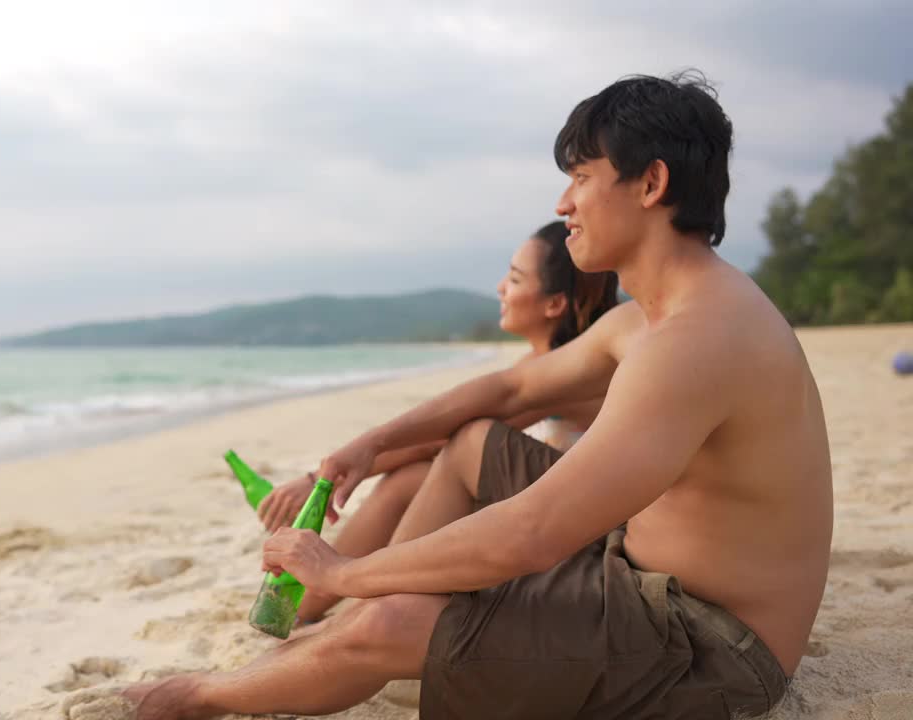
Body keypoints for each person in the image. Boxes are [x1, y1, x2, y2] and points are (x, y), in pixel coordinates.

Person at [69, 71, 833, 720]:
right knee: (472, 443)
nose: (564, 204)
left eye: (582, 178)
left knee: (397, 613)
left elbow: (532, 533)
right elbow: (507, 388)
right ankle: (353, 624)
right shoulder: (654, 317)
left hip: (713, 645)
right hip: (637, 571)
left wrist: (342, 572)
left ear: (652, 183)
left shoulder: (696, 340)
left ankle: (194, 696)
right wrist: (366, 447)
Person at [255, 219, 619, 624]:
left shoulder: (565, 371)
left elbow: (438, 438)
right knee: (413, 474)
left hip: (577, 539)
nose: (500, 288)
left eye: (514, 279)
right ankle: (318, 606)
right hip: (555, 521)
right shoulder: (547, 363)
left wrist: (319, 480)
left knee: (417, 472)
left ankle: (337, 611)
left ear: (554, 304)